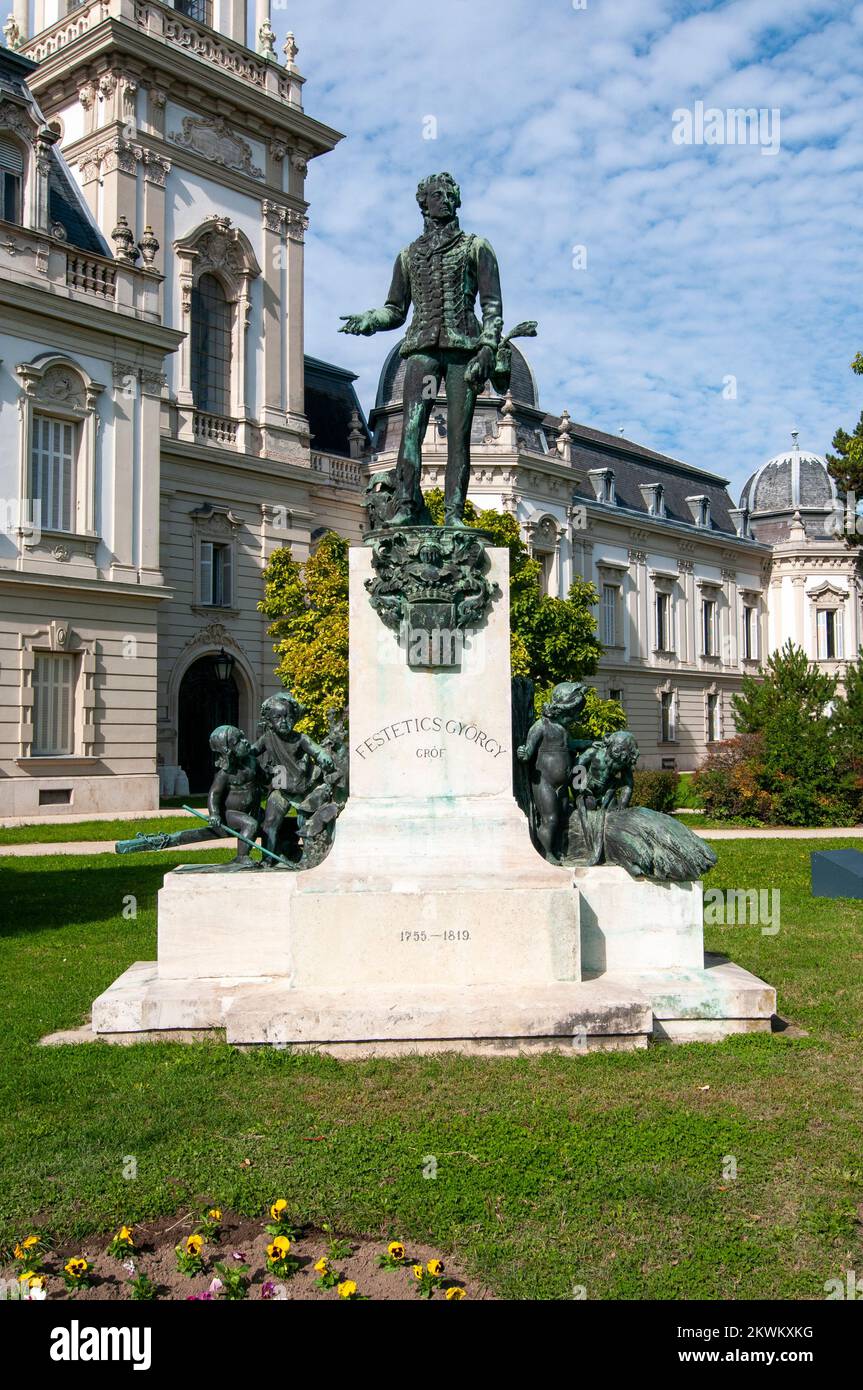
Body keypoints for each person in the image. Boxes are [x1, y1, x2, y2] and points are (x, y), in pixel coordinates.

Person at [339, 172, 503, 527]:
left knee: (458, 437)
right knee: (411, 431)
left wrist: (488, 345)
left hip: (463, 350)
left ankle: (453, 515)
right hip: (422, 349)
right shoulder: (408, 255)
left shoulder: (477, 246)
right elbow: (395, 310)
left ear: (457, 200)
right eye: (436, 194)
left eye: (449, 194)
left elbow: (492, 306)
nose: (444, 199)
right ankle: (407, 506)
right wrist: (370, 319)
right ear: (423, 203)